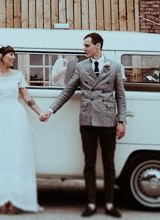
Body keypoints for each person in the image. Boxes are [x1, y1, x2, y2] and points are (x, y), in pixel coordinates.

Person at [40, 33, 126, 218]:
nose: (83, 48)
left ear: (98, 46)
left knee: (109, 164)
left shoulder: (115, 66)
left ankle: (110, 204)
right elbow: (67, 92)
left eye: (87, 45)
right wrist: (50, 110)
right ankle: (91, 203)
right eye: (84, 45)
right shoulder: (80, 66)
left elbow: (120, 95)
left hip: (108, 120)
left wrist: (121, 121)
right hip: (87, 120)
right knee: (89, 164)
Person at [0, 45, 44, 214]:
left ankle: (16, 199)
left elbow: (26, 97)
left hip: (15, 117)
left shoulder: (18, 75)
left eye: (14, 55)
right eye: (10, 55)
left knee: (16, 156)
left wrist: (40, 113)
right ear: (1, 56)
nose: (13, 58)